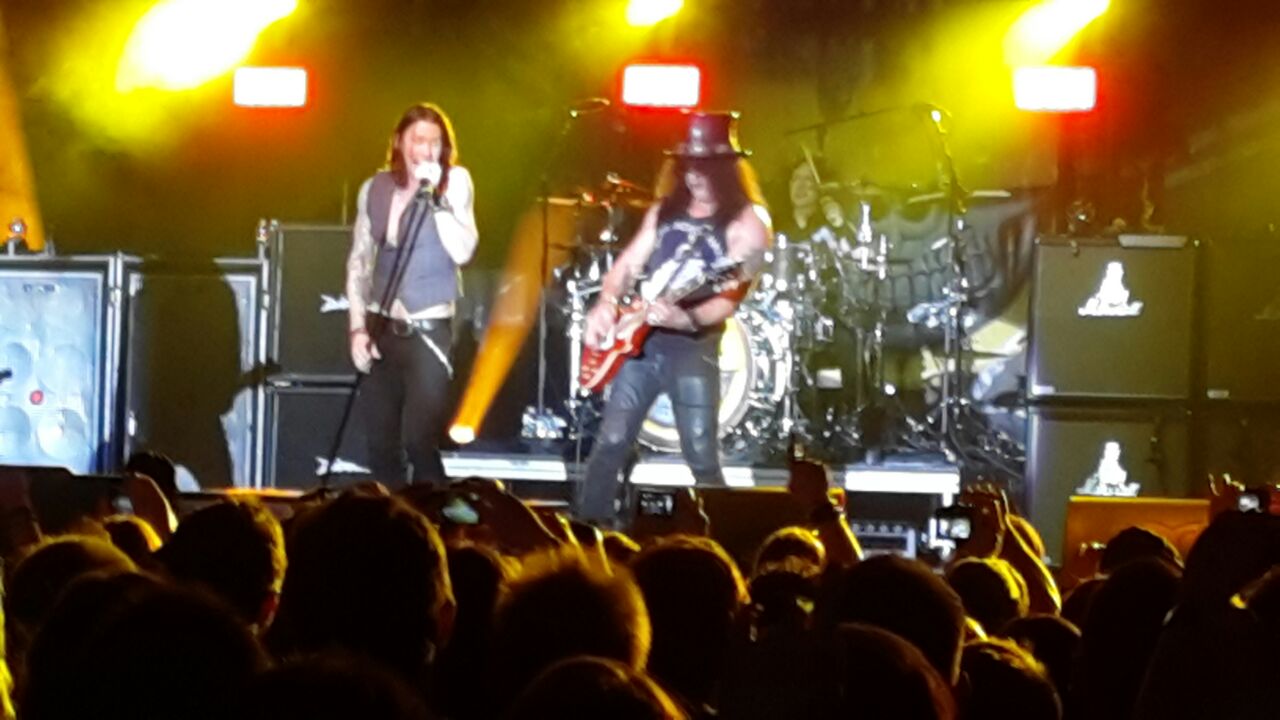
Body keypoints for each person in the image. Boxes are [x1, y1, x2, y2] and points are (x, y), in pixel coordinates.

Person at [579, 111, 770, 524]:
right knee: (611, 441)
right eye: (688, 165)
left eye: (704, 166)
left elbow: (730, 297)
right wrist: (607, 303)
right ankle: (587, 528)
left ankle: (722, 536)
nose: (694, 175)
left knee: (700, 453)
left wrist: (687, 319)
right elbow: (628, 264)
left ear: (726, 169)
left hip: (692, 348)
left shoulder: (747, 222)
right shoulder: (664, 211)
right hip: (639, 343)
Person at [345, 102, 479, 488]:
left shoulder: (455, 182)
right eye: (418, 140)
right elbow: (359, 261)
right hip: (381, 325)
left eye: (435, 142)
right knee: (380, 446)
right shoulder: (374, 188)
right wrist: (357, 328)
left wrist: (436, 199)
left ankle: (436, 517)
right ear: (400, 142)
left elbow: (463, 251)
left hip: (428, 329)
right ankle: (394, 518)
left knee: (418, 441)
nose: (427, 150)